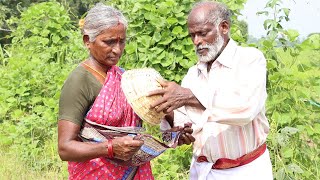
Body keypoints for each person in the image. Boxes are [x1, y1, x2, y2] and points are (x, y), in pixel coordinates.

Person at [148, 1, 273, 179]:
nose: (197, 41)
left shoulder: (249, 60)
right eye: (192, 36)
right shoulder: (193, 74)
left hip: (245, 171)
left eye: (203, 33)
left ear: (223, 27)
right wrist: (170, 118)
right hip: (203, 170)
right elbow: (183, 124)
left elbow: (245, 108)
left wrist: (189, 97)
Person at [57, 4, 154, 179]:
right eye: (109, 42)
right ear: (87, 40)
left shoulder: (123, 77)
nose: (117, 49)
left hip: (133, 172)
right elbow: (65, 148)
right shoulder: (80, 81)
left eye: (122, 41)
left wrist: (173, 130)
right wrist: (109, 148)